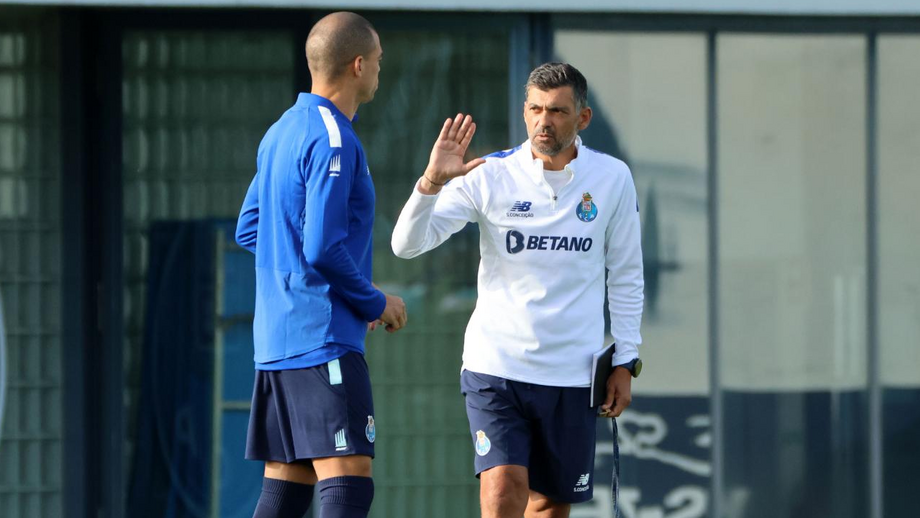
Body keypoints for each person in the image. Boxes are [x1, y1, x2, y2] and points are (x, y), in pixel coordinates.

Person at [391, 62, 644, 518]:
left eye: (558, 111)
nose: (544, 121)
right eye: (536, 109)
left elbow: (626, 273)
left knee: (548, 506)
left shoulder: (612, 178)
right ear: (524, 112)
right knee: (503, 489)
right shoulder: (489, 174)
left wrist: (626, 360)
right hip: (496, 368)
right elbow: (406, 246)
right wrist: (431, 183)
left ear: (583, 118)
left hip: (572, 373)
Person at [235, 12, 407, 518]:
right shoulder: (335, 137)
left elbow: (250, 228)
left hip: (277, 344)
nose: (379, 70)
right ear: (358, 65)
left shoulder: (280, 131)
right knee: (347, 481)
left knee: (287, 488)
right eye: (378, 61)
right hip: (322, 341)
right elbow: (322, 249)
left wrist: (340, 290)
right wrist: (373, 301)